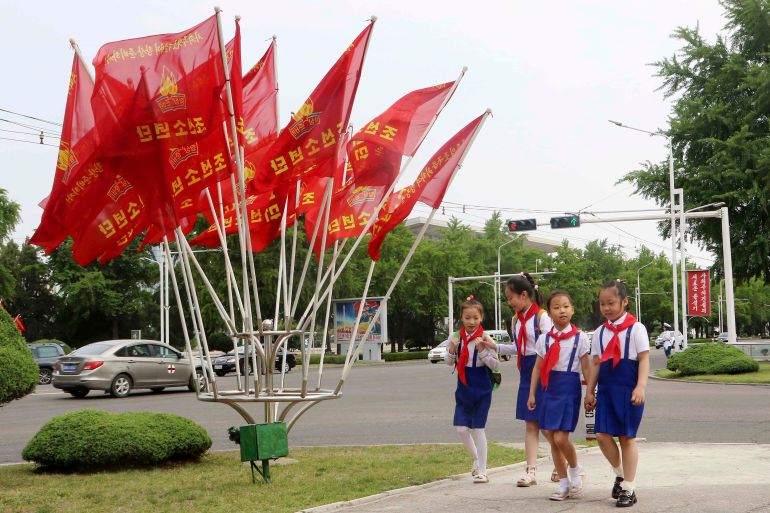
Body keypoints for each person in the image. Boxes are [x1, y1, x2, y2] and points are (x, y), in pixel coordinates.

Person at [584, 279, 650, 508]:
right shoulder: (600, 332)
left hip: (629, 391)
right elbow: (596, 364)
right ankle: (620, 475)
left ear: (624, 302)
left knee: (626, 438)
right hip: (607, 391)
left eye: (611, 303)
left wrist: (641, 386)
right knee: (602, 436)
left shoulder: (636, 328)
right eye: (602, 304)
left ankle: (629, 489)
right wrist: (590, 391)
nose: (606, 308)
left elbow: (644, 358)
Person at [486, 273, 554, 486]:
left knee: (546, 426)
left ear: (524, 295)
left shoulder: (542, 317)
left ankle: (563, 464)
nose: (509, 302)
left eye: (511, 297)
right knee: (531, 424)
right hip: (526, 374)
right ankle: (531, 471)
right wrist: (494, 347)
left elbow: (551, 346)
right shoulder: (517, 320)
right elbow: (519, 348)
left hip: (543, 373)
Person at [527, 290, 591, 500]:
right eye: (556, 307)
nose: (561, 310)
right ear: (550, 313)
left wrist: (590, 392)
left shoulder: (580, 338)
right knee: (551, 438)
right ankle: (563, 483)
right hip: (548, 388)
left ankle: (574, 469)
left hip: (568, 387)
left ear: (572, 310)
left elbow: (586, 368)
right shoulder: (544, 339)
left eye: (565, 306)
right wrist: (532, 394)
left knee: (561, 437)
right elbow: (537, 368)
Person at [446, 296, 500, 483]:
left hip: (482, 386)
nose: (471, 322)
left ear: (481, 318)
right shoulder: (456, 337)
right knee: (461, 428)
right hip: (464, 385)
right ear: (461, 317)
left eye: (475, 318)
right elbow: (448, 362)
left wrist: (483, 350)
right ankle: (477, 459)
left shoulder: (486, 338)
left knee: (478, 428)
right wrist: (452, 350)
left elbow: (494, 364)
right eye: (468, 318)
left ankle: (483, 470)